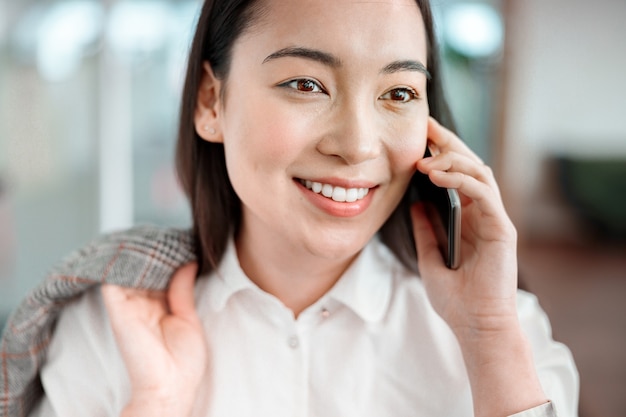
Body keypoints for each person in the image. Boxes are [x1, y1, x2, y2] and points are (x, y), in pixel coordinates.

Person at [23, 0, 578, 416]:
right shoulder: (110, 330)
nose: (358, 145)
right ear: (211, 101)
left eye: (399, 92)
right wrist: (154, 403)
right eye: (307, 84)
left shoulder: (505, 334)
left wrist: (487, 337)